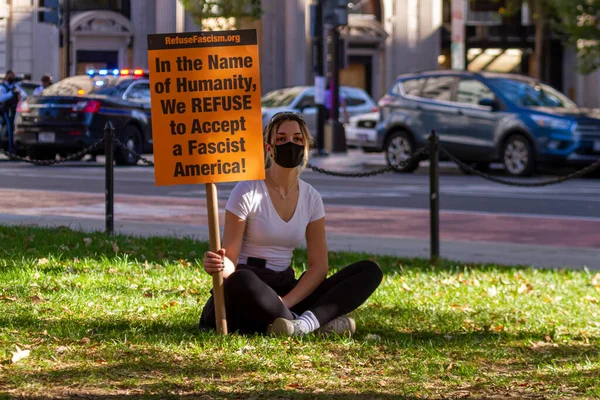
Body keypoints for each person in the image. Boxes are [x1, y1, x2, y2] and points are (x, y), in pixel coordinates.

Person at [199, 111, 383, 336]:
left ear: (306, 147)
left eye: (297, 139)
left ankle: (300, 324)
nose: (290, 144)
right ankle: (312, 324)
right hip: (250, 287)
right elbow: (231, 261)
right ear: (269, 148)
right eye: (281, 139)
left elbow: (318, 267)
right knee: (242, 279)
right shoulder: (247, 189)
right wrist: (218, 265)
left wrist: (286, 301)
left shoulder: (311, 197)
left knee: (368, 271)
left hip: (286, 288)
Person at [0, 70, 21, 154]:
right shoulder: (2, 87)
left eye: (13, 76)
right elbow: (1, 98)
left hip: (14, 110)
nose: (12, 77)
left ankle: (13, 147)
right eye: (11, 76)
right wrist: (12, 93)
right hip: (5, 110)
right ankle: (10, 148)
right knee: (9, 128)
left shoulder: (15, 86)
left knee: (13, 128)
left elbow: (22, 95)